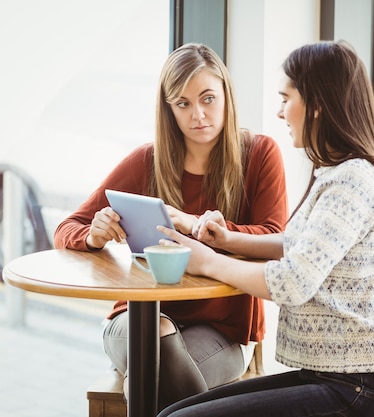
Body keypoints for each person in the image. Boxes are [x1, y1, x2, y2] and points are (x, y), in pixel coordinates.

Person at [156, 40, 374, 417]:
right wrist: (230, 239)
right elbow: (299, 246)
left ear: (317, 104)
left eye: (285, 98)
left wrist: (207, 261)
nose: (279, 112)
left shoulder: (352, 181)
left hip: (362, 393)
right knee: (169, 414)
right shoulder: (338, 174)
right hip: (341, 380)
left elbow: (292, 281)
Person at [53, 43, 289, 410]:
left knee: (146, 379)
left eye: (208, 99)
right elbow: (68, 227)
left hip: (222, 330)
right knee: (157, 336)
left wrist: (201, 225)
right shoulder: (146, 161)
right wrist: (92, 234)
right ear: (169, 110)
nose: (198, 114)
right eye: (183, 104)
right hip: (135, 319)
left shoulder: (259, 155)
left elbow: (276, 238)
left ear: (226, 94)